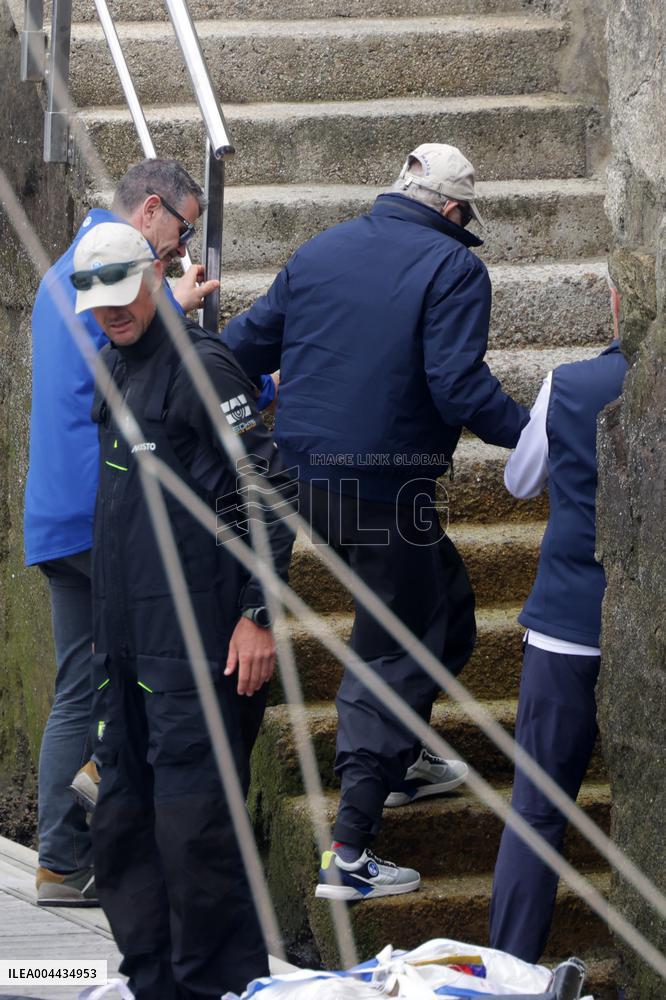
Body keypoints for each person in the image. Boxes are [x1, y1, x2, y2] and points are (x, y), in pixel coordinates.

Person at [223, 143, 529, 899]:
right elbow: (457, 386)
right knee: (395, 644)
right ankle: (349, 851)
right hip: (384, 487)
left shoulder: (322, 248)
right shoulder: (455, 267)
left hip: (308, 478)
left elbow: (241, 346)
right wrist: (537, 436)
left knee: (448, 604)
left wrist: (239, 415)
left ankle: (402, 760)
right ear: (453, 209)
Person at [24, 158, 275, 907]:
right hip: (114, 518)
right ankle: (111, 788)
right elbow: (149, 371)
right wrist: (256, 380)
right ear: (151, 210)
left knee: (79, 685)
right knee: (146, 677)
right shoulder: (119, 282)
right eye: (182, 232)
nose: (181, 248)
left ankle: (61, 863)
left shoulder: (65, 270)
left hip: (57, 514)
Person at [73, 221, 293, 999]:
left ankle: (217, 989)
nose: (112, 312)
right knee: (121, 827)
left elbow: (267, 490)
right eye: (96, 301)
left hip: (197, 648)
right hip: (125, 648)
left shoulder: (202, 366)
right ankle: (154, 985)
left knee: (195, 836)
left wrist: (258, 614)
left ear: (156, 277)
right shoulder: (113, 365)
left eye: (123, 294)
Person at [488, 277, 628, 962]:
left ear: (616, 301)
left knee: (538, 809)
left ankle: (510, 967)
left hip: (569, 622)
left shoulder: (569, 385)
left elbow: (519, 481)